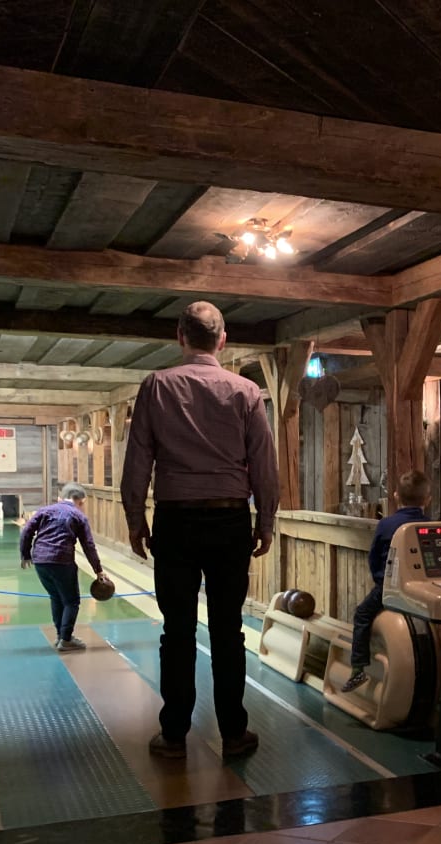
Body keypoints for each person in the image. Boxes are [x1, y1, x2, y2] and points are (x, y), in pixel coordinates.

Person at [120, 300, 278, 759]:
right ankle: (234, 733)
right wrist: (266, 520)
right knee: (229, 631)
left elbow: (137, 460)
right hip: (231, 521)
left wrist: (136, 520)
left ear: (180, 337)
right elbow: (264, 463)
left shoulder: (156, 385)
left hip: (175, 522)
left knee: (177, 631)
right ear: (222, 341)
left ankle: (173, 735)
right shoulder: (247, 391)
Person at [340, 470, 430, 693]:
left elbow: (374, 559)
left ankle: (358, 667)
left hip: (390, 589)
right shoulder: (430, 525)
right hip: (422, 590)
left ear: (396, 496)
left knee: (362, 614)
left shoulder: (386, 524)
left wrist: (381, 580)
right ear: (427, 500)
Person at [19, 482, 110, 652]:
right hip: (62, 561)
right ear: (81, 501)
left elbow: (26, 531)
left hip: (40, 560)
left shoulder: (45, 511)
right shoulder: (79, 516)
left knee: (55, 597)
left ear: (60, 498)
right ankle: (66, 639)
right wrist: (98, 570)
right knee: (71, 601)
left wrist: (25, 554)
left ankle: (60, 636)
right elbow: (88, 546)